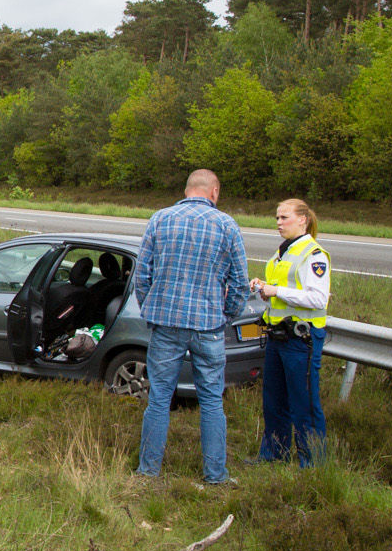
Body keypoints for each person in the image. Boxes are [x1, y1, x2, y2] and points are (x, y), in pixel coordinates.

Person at [131, 168, 250, 487]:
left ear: (187, 190)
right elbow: (240, 282)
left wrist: (152, 310)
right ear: (215, 192)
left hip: (167, 324)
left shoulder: (160, 219)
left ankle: (148, 471)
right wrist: (225, 315)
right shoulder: (226, 225)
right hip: (208, 325)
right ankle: (215, 475)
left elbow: (142, 276)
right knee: (211, 399)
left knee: (159, 397)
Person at [250, 198, 331, 466]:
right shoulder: (282, 251)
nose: (279, 223)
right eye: (277, 218)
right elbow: (283, 290)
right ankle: (274, 455)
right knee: (274, 401)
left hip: (300, 339)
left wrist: (277, 291)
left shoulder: (313, 254)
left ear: (302, 220)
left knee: (304, 403)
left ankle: (313, 463)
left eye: (284, 217)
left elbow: (318, 298)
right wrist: (264, 288)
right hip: (277, 335)